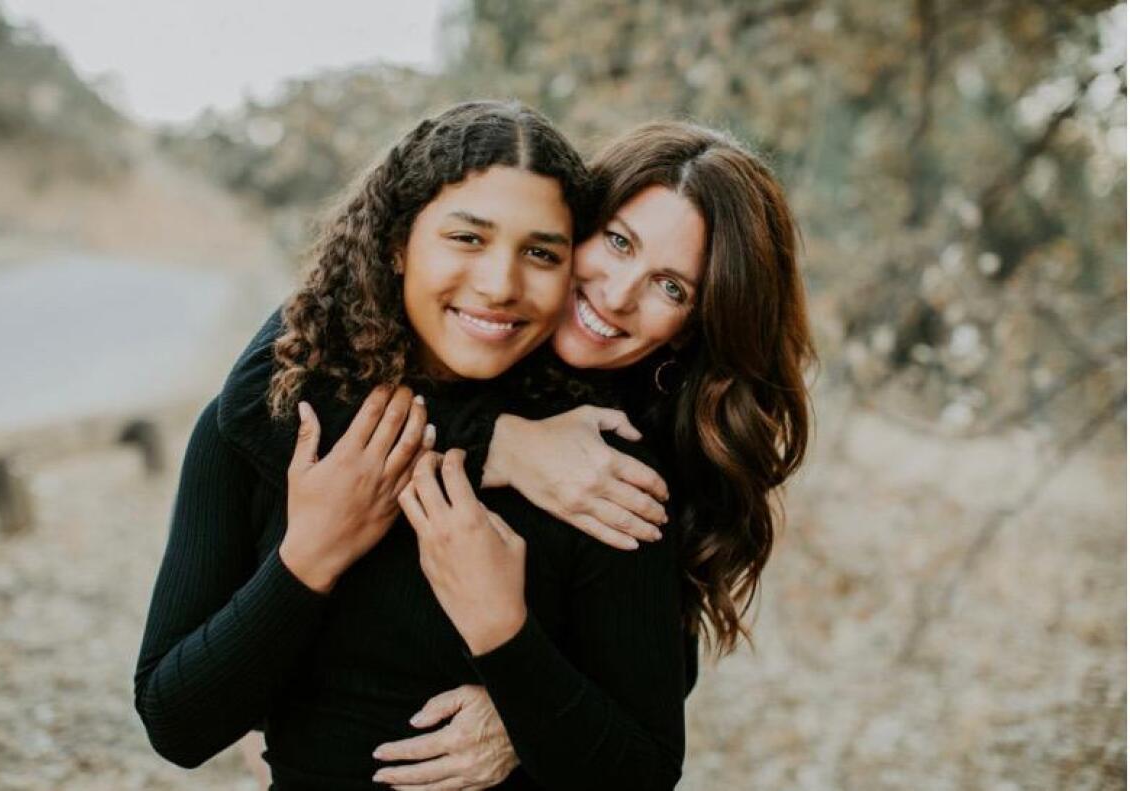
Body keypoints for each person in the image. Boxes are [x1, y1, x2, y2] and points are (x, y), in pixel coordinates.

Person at [134, 100, 690, 790]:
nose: (499, 284)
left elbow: (643, 769)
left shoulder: (590, 464)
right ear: (397, 242)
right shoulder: (276, 420)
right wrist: (309, 557)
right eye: (467, 238)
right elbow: (176, 725)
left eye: (541, 252)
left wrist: (509, 649)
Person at [364, 121, 817, 789]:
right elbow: (264, 390)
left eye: (672, 287)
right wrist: (505, 444)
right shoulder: (457, 305)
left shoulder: (638, 460)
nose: (619, 292)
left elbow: (644, 733)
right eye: (618, 241)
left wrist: (522, 702)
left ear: (698, 323)